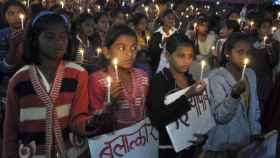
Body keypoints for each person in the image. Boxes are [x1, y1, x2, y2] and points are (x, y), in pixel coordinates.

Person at [3, 12, 91, 158]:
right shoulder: (19, 80)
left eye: (63, 37)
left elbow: (78, 119)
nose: (58, 42)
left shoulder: (78, 74)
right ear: (35, 40)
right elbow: (10, 130)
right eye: (50, 37)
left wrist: (92, 122)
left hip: (73, 152)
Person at [200, 33, 262, 158]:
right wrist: (234, 96)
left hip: (245, 144)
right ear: (228, 53)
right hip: (224, 146)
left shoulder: (250, 75)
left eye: (248, 52)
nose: (245, 56)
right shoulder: (217, 78)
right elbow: (220, 116)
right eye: (240, 52)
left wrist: (255, 131)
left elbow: (254, 107)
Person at [147, 33, 206, 158]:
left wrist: (203, 136)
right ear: (168, 56)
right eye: (181, 56)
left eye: (190, 56)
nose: (186, 61)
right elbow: (158, 118)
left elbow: (200, 115)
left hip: (190, 148)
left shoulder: (191, 81)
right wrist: (187, 95)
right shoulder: (159, 82)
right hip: (168, 149)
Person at [89, 25, 149, 133]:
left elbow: (147, 110)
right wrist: (110, 101)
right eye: (121, 48)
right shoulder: (98, 80)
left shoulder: (143, 76)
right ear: (107, 52)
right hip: (114, 143)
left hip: (140, 141)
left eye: (134, 48)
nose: (130, 53)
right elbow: (96, 124)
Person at [250, 18, 279, 130]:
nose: (266, 30)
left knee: (263, 105)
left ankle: (260, 129)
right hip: (253, 77)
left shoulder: (275, 44)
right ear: (258, 29)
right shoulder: (252, 42)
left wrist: (269, 50)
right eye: (263, 27)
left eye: (269, 27)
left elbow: (273, 62)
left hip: (265, 80)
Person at [149, 9, 177, 74]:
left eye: (173, 18)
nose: (171, 20)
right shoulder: (157, 34)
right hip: (160, 64)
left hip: (173, 64)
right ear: (163, 19)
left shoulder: (176, 33)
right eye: (169, 18)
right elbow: (152, 53)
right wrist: (162, 44)